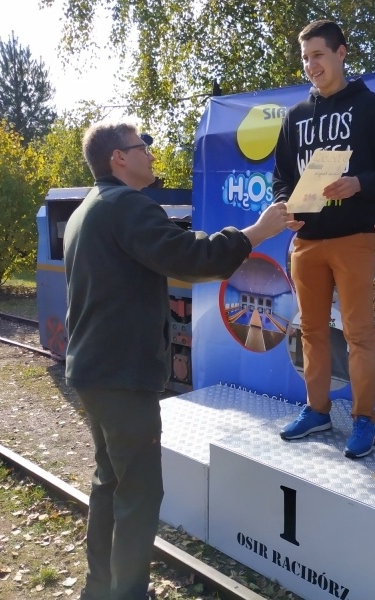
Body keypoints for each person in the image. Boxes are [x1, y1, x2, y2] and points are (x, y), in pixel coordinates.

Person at [65, 122, 292, 600]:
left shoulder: (88, 209)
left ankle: (99, 589)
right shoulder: (125, 205)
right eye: (141, 146)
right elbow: (189, 257)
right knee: (140, 495)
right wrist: (257, 232)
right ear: (117, 159)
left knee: (111, 483)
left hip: (94, 371)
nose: (150, 152)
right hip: (122, 377)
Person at [272, 19, 375, 459]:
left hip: (353, 238)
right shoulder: (295, 117)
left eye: (318, 55)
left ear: (341, 53)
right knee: (310, 331)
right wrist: (286, 209)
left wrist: (359, 184)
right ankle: (317, 411)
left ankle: (364, 421)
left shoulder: (369, 106)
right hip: (306, 243)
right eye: (305, 56)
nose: (311, 65)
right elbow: (280, 178)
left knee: (359, 335)